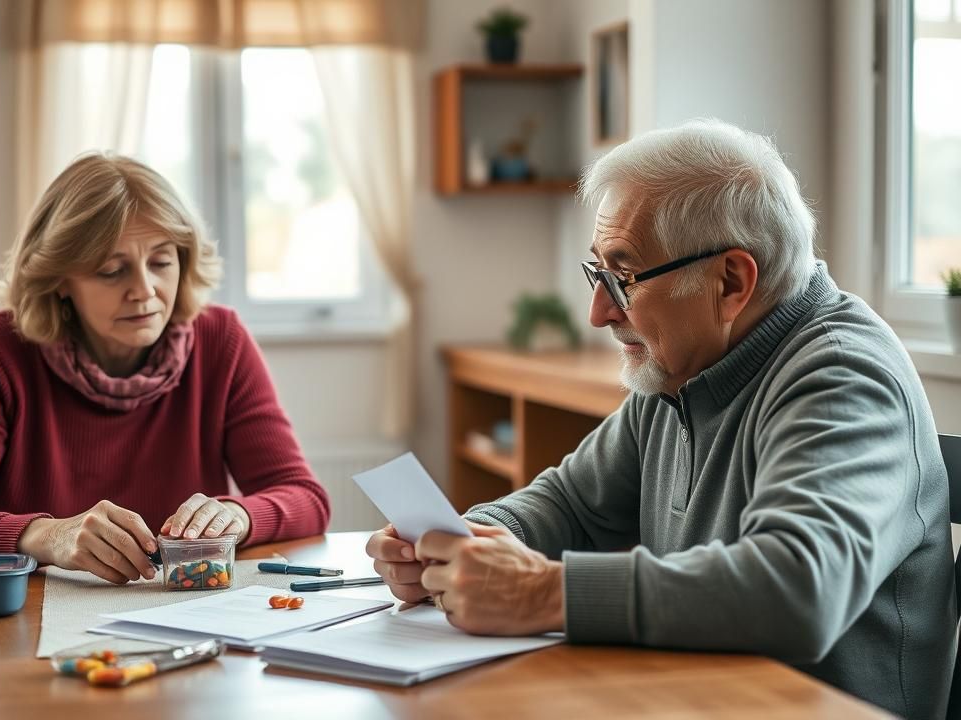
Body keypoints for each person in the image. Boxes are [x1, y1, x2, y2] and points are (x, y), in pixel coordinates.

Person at [366, 119, 954, 718]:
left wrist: (540, 591)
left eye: (622, 278)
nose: (598, 312)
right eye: (598, 274)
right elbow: (571, 505)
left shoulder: (843, 377)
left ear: (731, 282)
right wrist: (463, 545)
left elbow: (800, 587)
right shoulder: (679, 370)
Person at [0, 153, 330, 584]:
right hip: (40, 616)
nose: (144, 291)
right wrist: (48, 535)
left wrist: (236, 515)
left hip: (189, 609)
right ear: (60, 279)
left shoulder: (221, 339)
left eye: (161, 262)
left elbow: (306, 499)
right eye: (111, 270)